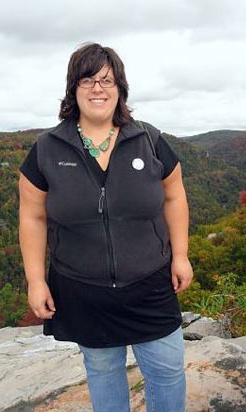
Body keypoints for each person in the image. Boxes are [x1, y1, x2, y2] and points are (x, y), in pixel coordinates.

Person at [18, 42, 193, 412]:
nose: (98, 89)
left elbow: (175, 197)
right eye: (87, 80)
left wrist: (181, 255)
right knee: (102, 370)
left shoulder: (149, 140)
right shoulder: (47, 148)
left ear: (120, 88)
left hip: (150, 283)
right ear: (73, 89)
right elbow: (32, 217)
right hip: (83, 289)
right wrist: (36, 280)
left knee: (167, 371)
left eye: (107, 80)